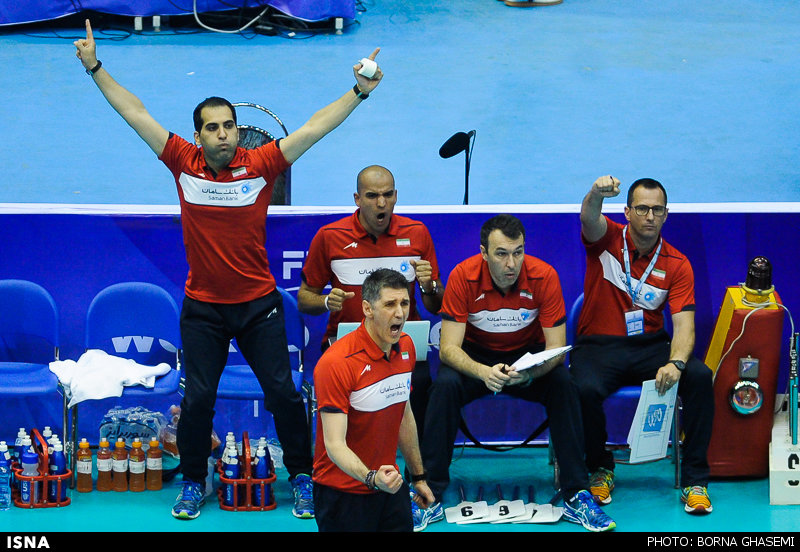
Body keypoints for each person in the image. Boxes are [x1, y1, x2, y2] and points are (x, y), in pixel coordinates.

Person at [73, 19, 384, 521]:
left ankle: (301, 476)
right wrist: (95, 67)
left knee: (283, 393)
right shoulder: (182, 161)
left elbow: (313, 128)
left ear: (238, 131)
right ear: (198, 134)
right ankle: (194, 481)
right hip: (204, 310)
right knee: (198, 399)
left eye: (229, 126)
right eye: (213, 127)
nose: (223, 134)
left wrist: (358, 92)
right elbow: (135, 112)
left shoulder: (261, 165)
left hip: (259, 307)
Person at [419, 214, 616, 532]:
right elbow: (448, 349)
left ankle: (576, 493)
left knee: (564, 384)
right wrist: (483, 372)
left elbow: (556, 349)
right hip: (477, 359)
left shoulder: (544, 276)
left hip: (527, 359)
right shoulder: (463, 276)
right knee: (444, 386)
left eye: (518, 252)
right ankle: (428, 493)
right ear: (484, 253)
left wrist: (530, 374)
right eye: (501, 253)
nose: (511, 263)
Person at [573, 175, 714, 515]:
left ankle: (695, 480)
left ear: (666, 214)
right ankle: (600, 467)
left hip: (650, 347)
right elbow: (588, 217)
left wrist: (676, 363)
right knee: (582, 388)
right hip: (598, 347)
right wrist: (595, 193)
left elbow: (684, 326)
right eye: (642, 208)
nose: (650, 216)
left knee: (698, 377)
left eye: (657, 209)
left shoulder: (677, 264)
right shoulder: (605, 238)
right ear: (627, 212)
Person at [297, 165, 443, 444]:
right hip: (348, 348)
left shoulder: (417, 234)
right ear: (357, 199)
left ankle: (422, 470)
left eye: (387, 195)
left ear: (396, 196)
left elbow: (436, 306)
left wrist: (429, 285)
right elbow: (304, 299)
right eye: (372, 196)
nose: (381, 203)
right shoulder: (330, 237)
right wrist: (326, 300)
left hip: (401, 345)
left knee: (424, 388)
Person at [312, 268, 434, 532]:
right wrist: (371, 478)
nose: (400, 313)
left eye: (404, 303)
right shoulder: (336, 363)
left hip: (389, 485)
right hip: (342, 494)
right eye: (390, 304)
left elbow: (404, 414)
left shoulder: (406, 347)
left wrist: (418, 476)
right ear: (367, 308)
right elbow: (334, 444)